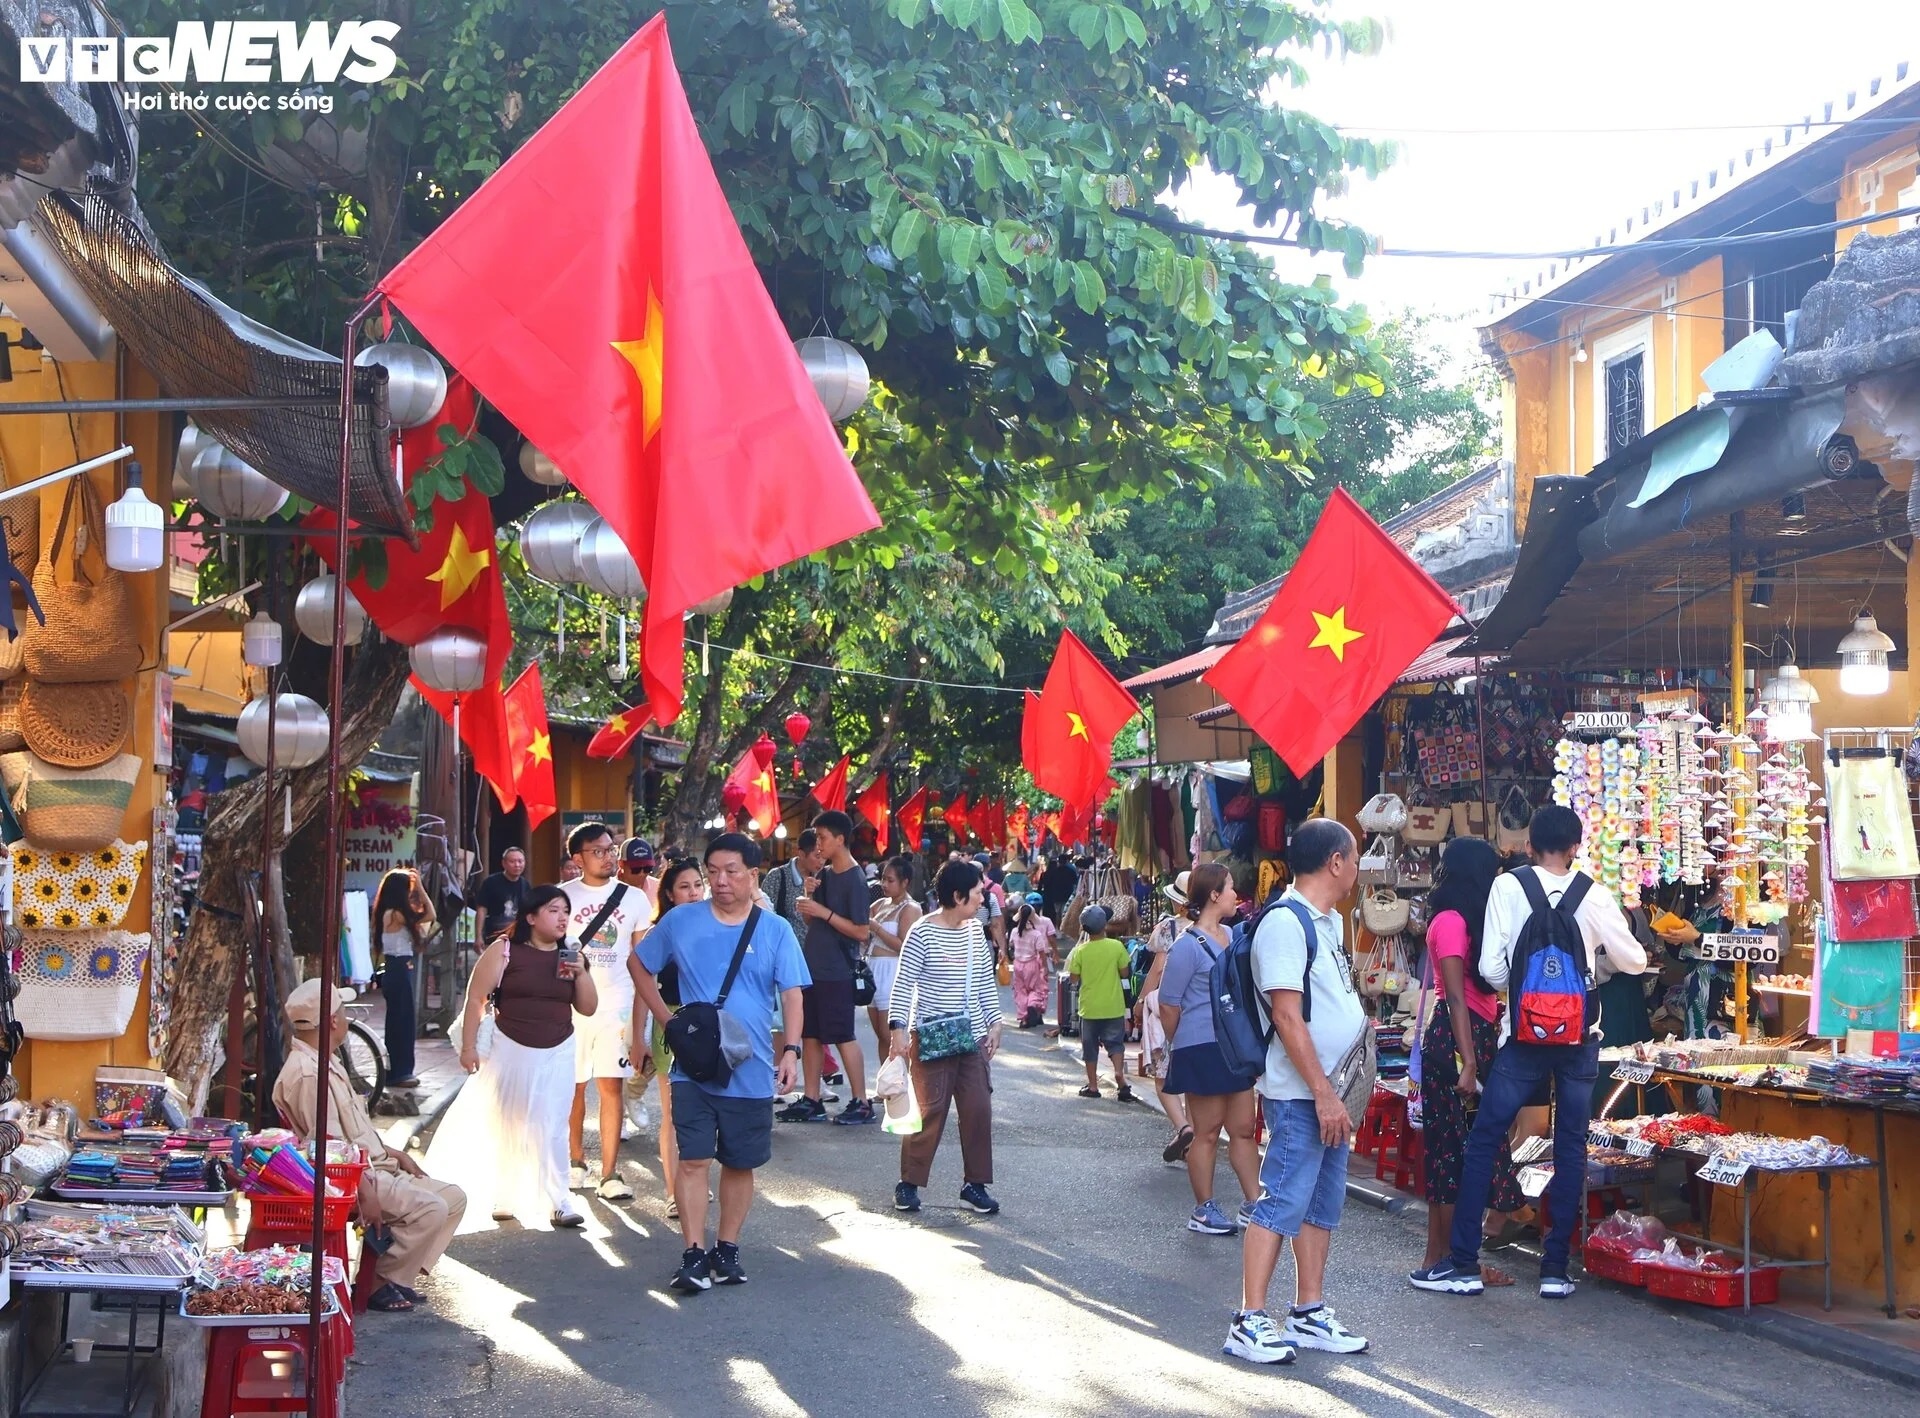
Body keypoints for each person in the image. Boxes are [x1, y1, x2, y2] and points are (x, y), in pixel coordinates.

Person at [1410, 804, 1648, 1301]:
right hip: (1580, 1039)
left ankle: (1464, 1263)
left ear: (1529, 845)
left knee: (1484, 1140)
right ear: (1576, 846)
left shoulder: (1508, 886)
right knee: (1570, 1148)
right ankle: (1555, 1270)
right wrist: (1592, 971)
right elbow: (1636, 960)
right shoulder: (1594, 893)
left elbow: (1493, 969)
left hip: (1522, 1038)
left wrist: (1527, 993)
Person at [634, 833, 808, 1292]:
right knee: (693, 1159)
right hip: (693, 1063)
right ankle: (693, 1252)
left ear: (753, 876)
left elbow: (792, 995)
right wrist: (665, 1019)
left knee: (739, 1161)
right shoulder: (681, 921)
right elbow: (639, 964)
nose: (720, 881)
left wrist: (791, 1051)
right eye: (713, 872)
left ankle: (727, 1248)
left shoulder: (775, 930)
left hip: (750, 1065)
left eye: (731, 872)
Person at [1225, 819, 1370, 1367]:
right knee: (1282, 1198)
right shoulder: (1286, 923)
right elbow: (1286, 1015)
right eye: (1354, 857)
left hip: (1328, 1092)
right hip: (1302, 1094)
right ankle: (1249, 1320)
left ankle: (1308, 1311)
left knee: (1321, 1203)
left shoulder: (1325, 921)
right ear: (1335, 862)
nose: (1356, 867)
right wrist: (1323, 1093)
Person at [274, 978, 468, 1310]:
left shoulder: (327, 1059)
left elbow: (355, 1129)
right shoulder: (308, 1073)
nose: (347, 1019)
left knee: (453, 1199)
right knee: (430, 1209)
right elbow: (330, 1147)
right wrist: (364, 1189)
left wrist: (393, 1153)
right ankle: (379, 1284)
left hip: (374, 1164)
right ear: (333, 1020)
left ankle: (397, 1275)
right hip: (351, 1176)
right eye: (343, 1012)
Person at [427, 886, 599, 1230]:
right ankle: (505, 1193)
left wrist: (581, 972)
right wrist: (469, 1048)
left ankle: (559, 1199)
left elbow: (588, 1007)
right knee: (509, 1118)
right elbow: (476, 998)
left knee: (552, 1123)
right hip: (511, 1046)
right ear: (531, 917)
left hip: (559, 1047)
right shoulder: (504, 951)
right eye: (553, 910)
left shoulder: (571, 955)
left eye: (566, 911)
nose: (562, 917)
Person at [1408, 837, 1524, 1288]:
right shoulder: (1452, 921)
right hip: (1459, 1042)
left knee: (1459, 1154)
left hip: (1472, 1037)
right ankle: (1449, 1260)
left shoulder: (1467, 921)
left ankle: (1447, 1259)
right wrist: (1470, 1062)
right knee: (1452, 1155)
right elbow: (1454, 996)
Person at [888, 858, 1003, 1216]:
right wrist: (897, 1031)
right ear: (957, 895)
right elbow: (904, 983)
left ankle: (975, 1185)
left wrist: (995, 1023)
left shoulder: (973, 933)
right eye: (977, 894)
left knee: (977, 1109)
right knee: (929, 1110)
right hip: (930, 1033)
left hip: (971, 1037)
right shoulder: (922, 932)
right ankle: (908, 1184)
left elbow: (985, 982)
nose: (982, 900)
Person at [1158, 863, 1260, 1236]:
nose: (1237, 895)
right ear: (1214, 895)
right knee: (1207, 1132)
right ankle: (1204, 1208)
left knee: (1244, 1129)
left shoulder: (1233, 936)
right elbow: (1168, 1004)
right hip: (1200, 1047)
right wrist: (1179, 1041)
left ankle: (1253, 1203)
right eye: (1231, 887)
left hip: (1234, 1047)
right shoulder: (1186, 946)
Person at [560, 821, 651, 1202]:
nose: (608, 856)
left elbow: (643, 963)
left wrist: (639, 1024)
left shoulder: (635, 900)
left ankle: (610, 1172)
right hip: (573, 1007)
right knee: (572, 1087)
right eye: (598, 850)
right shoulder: (561, 897)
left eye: (611, 849)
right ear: (577, 857)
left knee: (611, 1085)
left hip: (618, 1006)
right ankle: (575, 1161)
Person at [781, 811, 874, 1125]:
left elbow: (862, 931)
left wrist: (823, 911)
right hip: (813, 966)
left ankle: (861, 1101)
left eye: (822, 837)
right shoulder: (826, 875)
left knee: (842, 1034)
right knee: (811, 1034)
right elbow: (810, 920)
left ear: (840, 839)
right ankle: (812, 1099)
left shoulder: (856, 879)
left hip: (837, 969)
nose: (818, 844)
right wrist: (809, 898)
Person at [637, 858, 706, 1218]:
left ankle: (695, 1181)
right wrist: (638, 1037)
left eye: (698, 885)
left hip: (712, 1026)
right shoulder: (660, 932)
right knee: (673, 1112)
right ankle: (673, 1191)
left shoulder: (720, 925)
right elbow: (640, 984)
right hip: (672, 1024)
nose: (694, 893)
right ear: (668, 893)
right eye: (685, 886)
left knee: (709, 1109)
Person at [373, 868, 437, 1090]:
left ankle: (399, 1071)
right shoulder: (395, 913)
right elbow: (431, 914)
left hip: (399, 969)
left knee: (402, 1021)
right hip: (398, 968)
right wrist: (419, 886)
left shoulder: (392, 912)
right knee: (401, 1022)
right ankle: (399, 1072)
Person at [1066, 905, 1134, 1101]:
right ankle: (1119, 1074)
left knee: (1090, 1047)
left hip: (1089, 1008)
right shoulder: (1116, 947)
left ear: (1084, 928)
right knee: (1115, 1044)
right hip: (1113, 1005)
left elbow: (1073, 978)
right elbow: (1124, 973)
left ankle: (1093, 1086)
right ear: (1105, 925)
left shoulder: (1080, 951)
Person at [865, 855, 922, 1057]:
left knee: (890, 1035)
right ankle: (887, 1084)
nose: (885, 884)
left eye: (890, 880)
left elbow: (905, 945)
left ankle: (900, 1084)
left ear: (904, 882)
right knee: (881, 1036)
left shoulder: (911, 908)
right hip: (872, 969)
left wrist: (877, 928)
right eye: (883, 879)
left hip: (892, 971)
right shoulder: (880, 904)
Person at [1007, 894, 1055, 1028]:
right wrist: (1044, 967)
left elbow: (1011, 945)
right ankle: (1032, 1005)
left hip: (1017, 964)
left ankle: (1023, 1018)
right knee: (1036, 988)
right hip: (1032, 964)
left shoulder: (1015, 932)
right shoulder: (1036, 935)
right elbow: (1041, 952)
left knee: (1020, 990)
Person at [474, 847, 530, 943]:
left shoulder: (526, 884)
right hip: (493, 934)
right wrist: (478, 936)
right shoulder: (491, 882)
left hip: (518, 936)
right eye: (512, 861)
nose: (517, 865)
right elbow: (481, 910)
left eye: (520, 861)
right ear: (503, 863)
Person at [619, 837, 662, 913]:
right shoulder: (607, 889)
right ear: (621, 864)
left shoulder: (659, 888)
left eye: (647, 868)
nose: (641, 874)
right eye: (636, 869)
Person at [1038, 852, 1077, 925]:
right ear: (1066, 861)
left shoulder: (1054, 872)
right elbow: (1075, 882)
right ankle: (1062, 926)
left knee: (1057, 912)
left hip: (1056, 896)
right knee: (1064, 912)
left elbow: (1049, 884)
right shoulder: (1071, 871)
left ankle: (1058, 926)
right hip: (1067, 895)